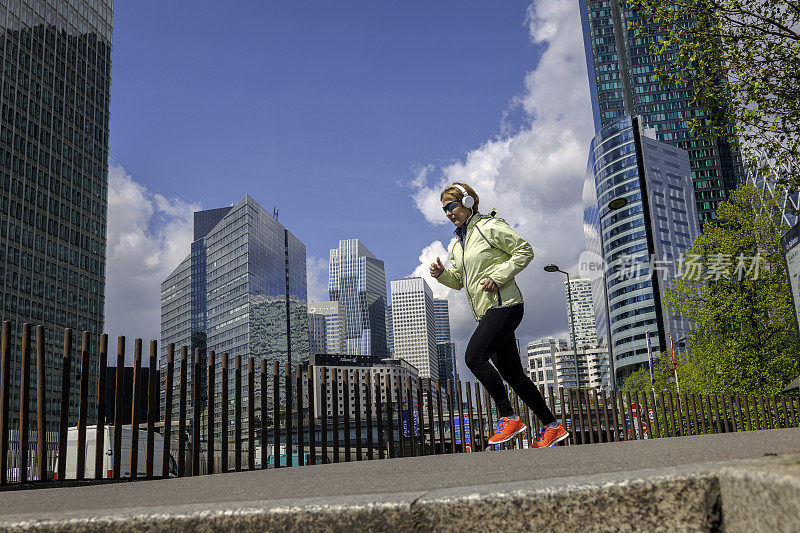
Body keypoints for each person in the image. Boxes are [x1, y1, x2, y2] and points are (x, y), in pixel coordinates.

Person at [430, 182, 568, 448]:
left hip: (506, 306)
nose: (448, 213)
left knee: (473, 357)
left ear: (468, 202)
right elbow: (459, 280)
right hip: (487, 312)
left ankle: (508, 416)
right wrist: (442, 275)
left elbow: (524, 250)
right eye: (444, 209)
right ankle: (553, 426)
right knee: (514, 375)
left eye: (451, 206)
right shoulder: (457, 245)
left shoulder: (488, 227)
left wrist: (498, 276)